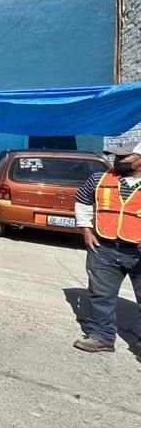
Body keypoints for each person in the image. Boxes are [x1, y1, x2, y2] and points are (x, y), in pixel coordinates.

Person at [73, 141, 141, 354]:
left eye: (125, 157)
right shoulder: (99, 179)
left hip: (137, 252)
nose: (117, 160)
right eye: (116, 156)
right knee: (101, 295)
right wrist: (86, 230)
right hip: (104, 248)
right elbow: (83, 201)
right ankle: (101, 337)